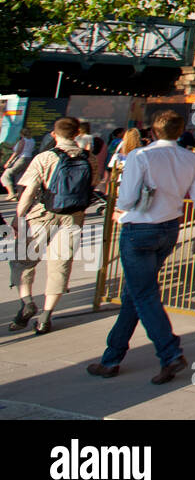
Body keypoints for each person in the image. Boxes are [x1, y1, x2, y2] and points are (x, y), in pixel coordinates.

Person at [87, 110, 195, 383]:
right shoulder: (191, 159)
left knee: (143, 294)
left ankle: (169, 352)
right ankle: (112, 357)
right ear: (180, 133)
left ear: (152, 132)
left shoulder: (140, 156)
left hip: (139, 229)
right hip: (168, 228)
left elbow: (128, 198)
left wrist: (119, 210)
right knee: (135, 293)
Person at [10, 117, 98, 335]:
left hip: (42, 215)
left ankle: (28, 303)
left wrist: (18, 217)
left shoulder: (45, 157)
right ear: (77, 134)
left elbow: (29, 191)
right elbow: (92, 186)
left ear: (53, 134)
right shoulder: (90, 158)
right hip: (73, 218)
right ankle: (46, 317)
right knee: (60, 266)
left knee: (23, 261)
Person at [1, 127, 35, 201]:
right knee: (19, 177)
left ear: (21, 133)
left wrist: (9, 161)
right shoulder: (32, 140)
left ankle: (11, 193)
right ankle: (20, 195)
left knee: (5, 176)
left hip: (21, 159)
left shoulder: (23, 141)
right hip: (28, 159)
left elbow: (18, 152)